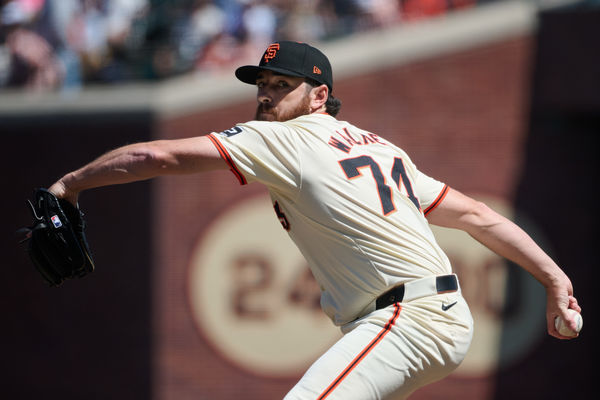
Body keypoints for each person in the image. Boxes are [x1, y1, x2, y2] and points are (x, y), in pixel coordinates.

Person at [47, 41, 581, 399]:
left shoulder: (287, 138)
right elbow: (479, 217)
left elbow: (156, 156)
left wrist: (69, 184)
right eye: (263, 83)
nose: (265, 94)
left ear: (319, 95)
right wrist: (555, 279)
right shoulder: (381, 148)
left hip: (410, 317)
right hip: (422, 315)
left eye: (282, 85)